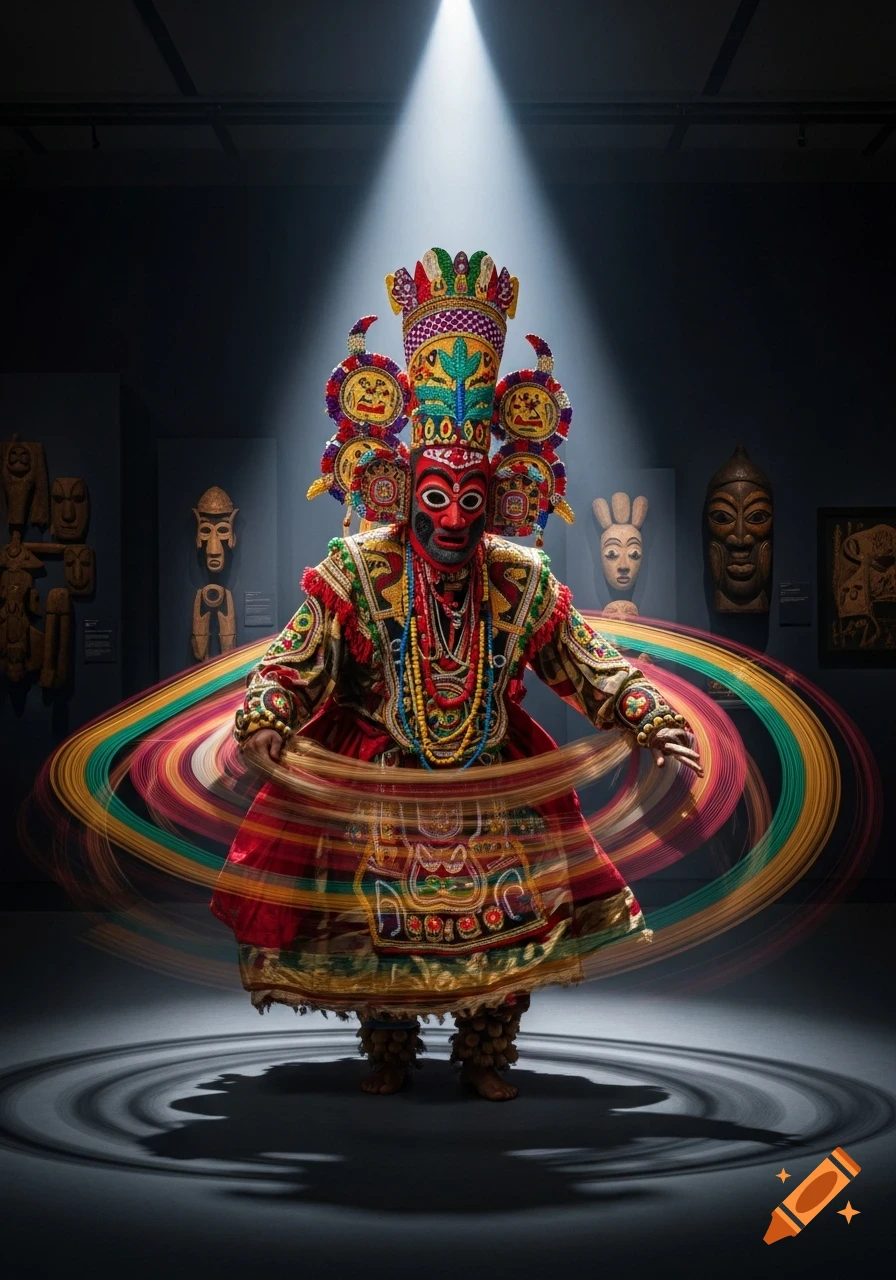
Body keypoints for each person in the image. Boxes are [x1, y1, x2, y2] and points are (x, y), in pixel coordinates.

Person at [211, 248, 701, 1101]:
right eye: (436, 497)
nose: (453, 519)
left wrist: (649, 716)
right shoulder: (359, 569)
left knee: (506, 929)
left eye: (474, 500)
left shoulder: (518, 574)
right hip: (382, 785)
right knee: (377, 931)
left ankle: (485, 1050)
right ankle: (389, 1048)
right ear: (401, 489)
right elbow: (300, 654)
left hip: (491, 783)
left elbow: (584, 660)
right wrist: (267, 715)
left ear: (503, 493)